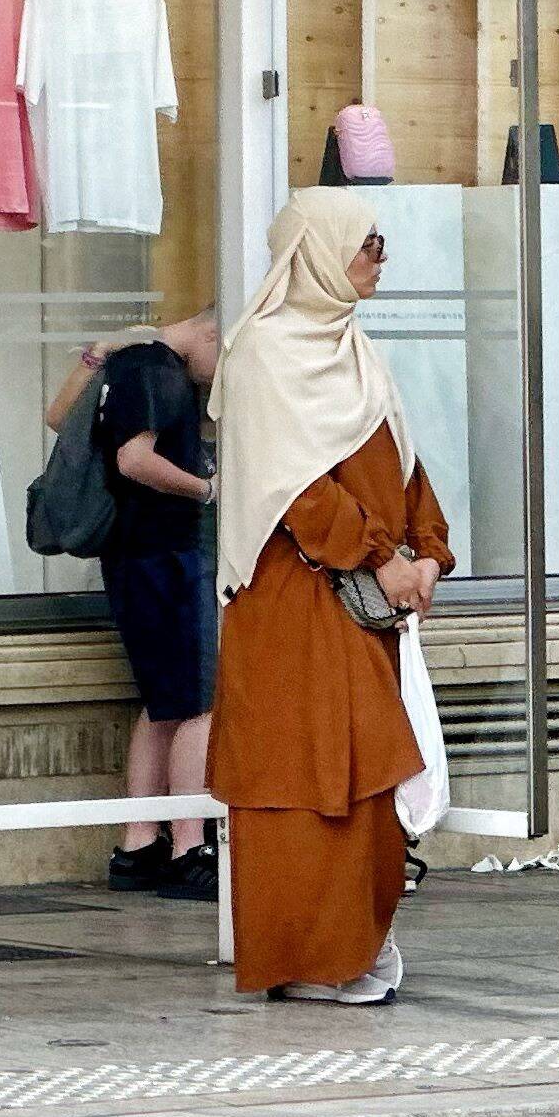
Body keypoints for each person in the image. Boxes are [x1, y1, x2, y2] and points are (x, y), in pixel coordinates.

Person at [210, 191, 451, 1005]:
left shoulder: (353, 348)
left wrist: (428, 554)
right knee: (308, 780)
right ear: (317, 252)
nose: (379, 256)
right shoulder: (266, 355)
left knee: (369, 781)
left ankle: (354, 947)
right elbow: (301, 490)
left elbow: (401, 461)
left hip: (362, 605)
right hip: (296, 606)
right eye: (365, 242)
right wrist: (382, 561)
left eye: (381, 241)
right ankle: (309, 958)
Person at [46, 315, 220, 897]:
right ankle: (189, 845)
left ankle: (138, 844)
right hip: (168, 553)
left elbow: (58, 420)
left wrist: (96, 354)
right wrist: (208, 488)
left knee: (163, 702)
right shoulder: (162, 371)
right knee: (199, 699)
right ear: (213, 337)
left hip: (132, 556)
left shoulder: (127, 363)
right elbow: (134, 460)